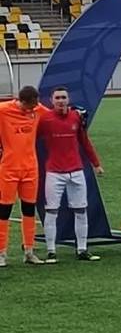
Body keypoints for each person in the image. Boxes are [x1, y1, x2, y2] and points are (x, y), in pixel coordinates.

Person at [39, 86, 104, 262]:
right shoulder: (45, 119)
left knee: (81, 210)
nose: (61, 101)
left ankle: (82, 249)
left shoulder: (76, 117)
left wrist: (96, 164)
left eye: (63, 97)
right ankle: (51, 251)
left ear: (68, 99)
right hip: (54, 172)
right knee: (51, 211)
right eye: (57, 98)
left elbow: (85, 142)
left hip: (76, 171)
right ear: (51, 101)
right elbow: (31, 139)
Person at [0, 86, 48, 267]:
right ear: (22, 101)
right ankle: (1, 253)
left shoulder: (37, 110)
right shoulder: (4, 110)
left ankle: (29, 251)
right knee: (4, 211)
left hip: (30, 169)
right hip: (9, 169)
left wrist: (74, 113)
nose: (34, 109)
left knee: (29, 210)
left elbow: (52, 116)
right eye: (31, 106)